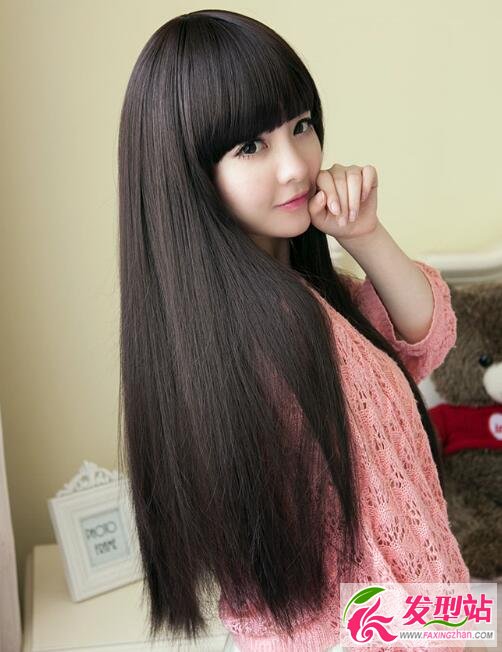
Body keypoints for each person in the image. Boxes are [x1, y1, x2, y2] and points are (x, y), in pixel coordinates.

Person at [117, 9, 470, 652]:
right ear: (186, 174)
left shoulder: (307, 296)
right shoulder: (246, 344)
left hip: (431, 614)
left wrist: (364, 233)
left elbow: (428, 337)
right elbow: (307, 610)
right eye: (250, 146)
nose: (295, 167)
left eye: (300, 126)